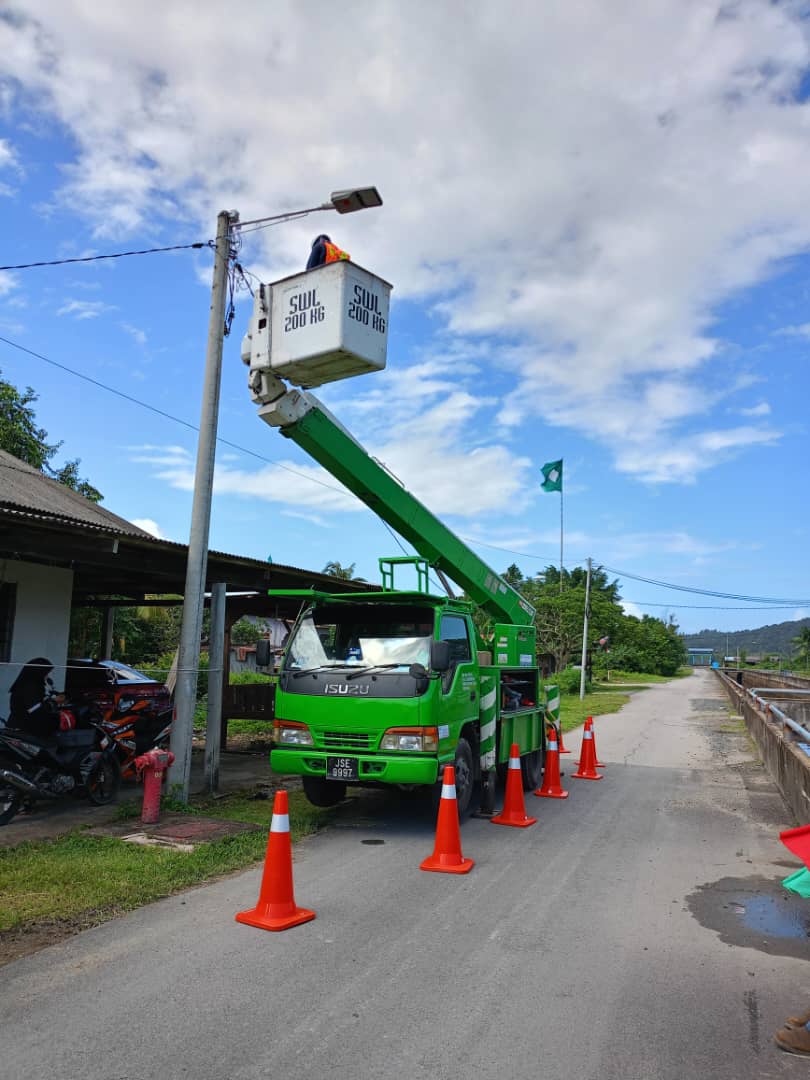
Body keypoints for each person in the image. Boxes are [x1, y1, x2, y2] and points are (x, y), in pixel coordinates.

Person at [8, 657, 62, 737]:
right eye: (46, 673)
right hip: (24, 729)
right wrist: (54, 702)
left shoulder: (33, 685)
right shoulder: (28, 687)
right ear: (38, 672)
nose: (47, 676)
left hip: (26, 725)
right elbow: (35, 709)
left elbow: (39, 702)